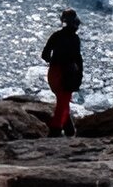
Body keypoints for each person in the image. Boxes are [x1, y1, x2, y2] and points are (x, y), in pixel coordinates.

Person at [41, 9, 83, 137]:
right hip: (66, 74)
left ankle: (69, 128)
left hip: (53, 73)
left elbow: (45, 55)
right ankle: (55, 129)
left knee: (62, 101)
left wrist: (53, 62)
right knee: (63, 102)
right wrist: (79, 74)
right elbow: (78, 59)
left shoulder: (56, 35)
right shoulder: (75, 39)